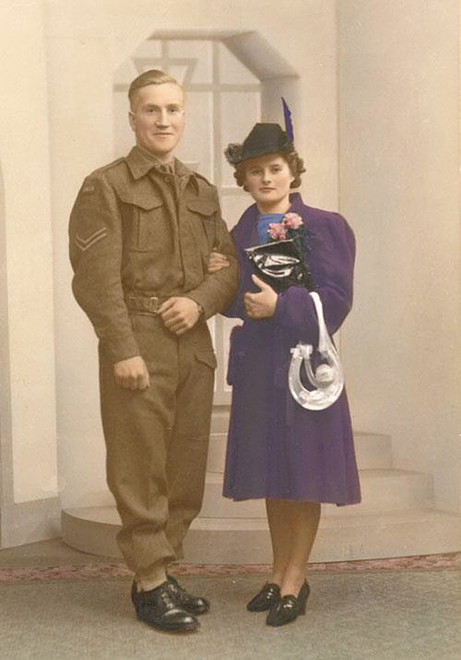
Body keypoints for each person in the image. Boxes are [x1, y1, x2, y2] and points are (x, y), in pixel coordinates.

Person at [69, 69, 238, 633]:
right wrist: (122, 348)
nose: (164, 120)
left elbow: (229, 267)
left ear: (184, 116)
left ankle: (163, 571)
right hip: (139, 339)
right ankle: (148, 584)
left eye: (173, 110)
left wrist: (199, 303)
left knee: (184, 468)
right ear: (132, 117)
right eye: (151, 110)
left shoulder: (201, 190)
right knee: (140, 467)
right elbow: (94, 281)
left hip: (192, 344)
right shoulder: (106, 186)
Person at [209, 121, 361, 627]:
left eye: (275, 168)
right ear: (244, 180)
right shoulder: (238, 232)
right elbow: (235, 302)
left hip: (304, 366)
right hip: (258, 367)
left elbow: (336, 302)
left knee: (304, 474)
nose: (266, 178)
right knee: (275, 474)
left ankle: (296, 578)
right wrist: (221, 279)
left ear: (292, 173)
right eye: (255, 172)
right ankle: (276, 573)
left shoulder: (325, 225)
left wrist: (283, 306)